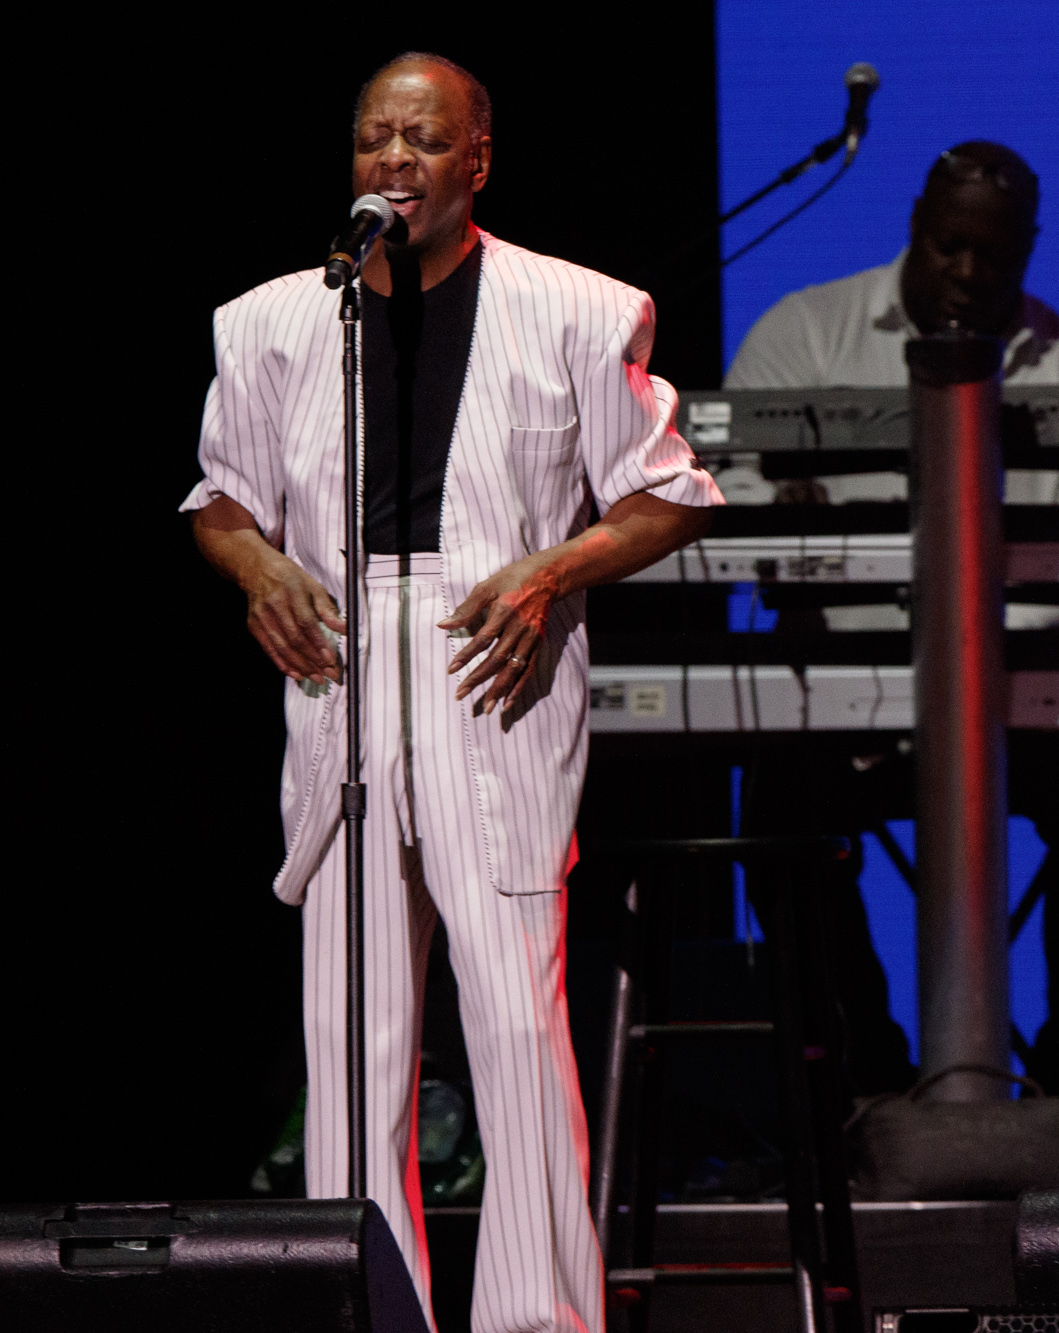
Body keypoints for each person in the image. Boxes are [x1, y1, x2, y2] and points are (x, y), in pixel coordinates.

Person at [185, 52, 720, 1333]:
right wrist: (257, 563)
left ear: (476, 159)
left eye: (422, 142)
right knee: (352, 1036)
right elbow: (218, 498)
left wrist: (554, 570)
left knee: (515, 1025)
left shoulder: (580, 310)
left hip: (496, 653)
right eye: (375, 139)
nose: (393, 164)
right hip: (338, 661)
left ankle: (539, 1318)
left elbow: (667, 496)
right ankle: (362, 1308)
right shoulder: (270, 319)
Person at [722, 142, 1059, 1107]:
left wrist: (959, 640)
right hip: (841, 697)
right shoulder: (805, 331)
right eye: (950, 248)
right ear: (914, 230)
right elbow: (729, 494)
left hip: (1026, 701)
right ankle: (871, 1092)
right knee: (779, 810)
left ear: (1030, 250)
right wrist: (789, 522)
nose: (971, 276)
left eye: (997, 256)